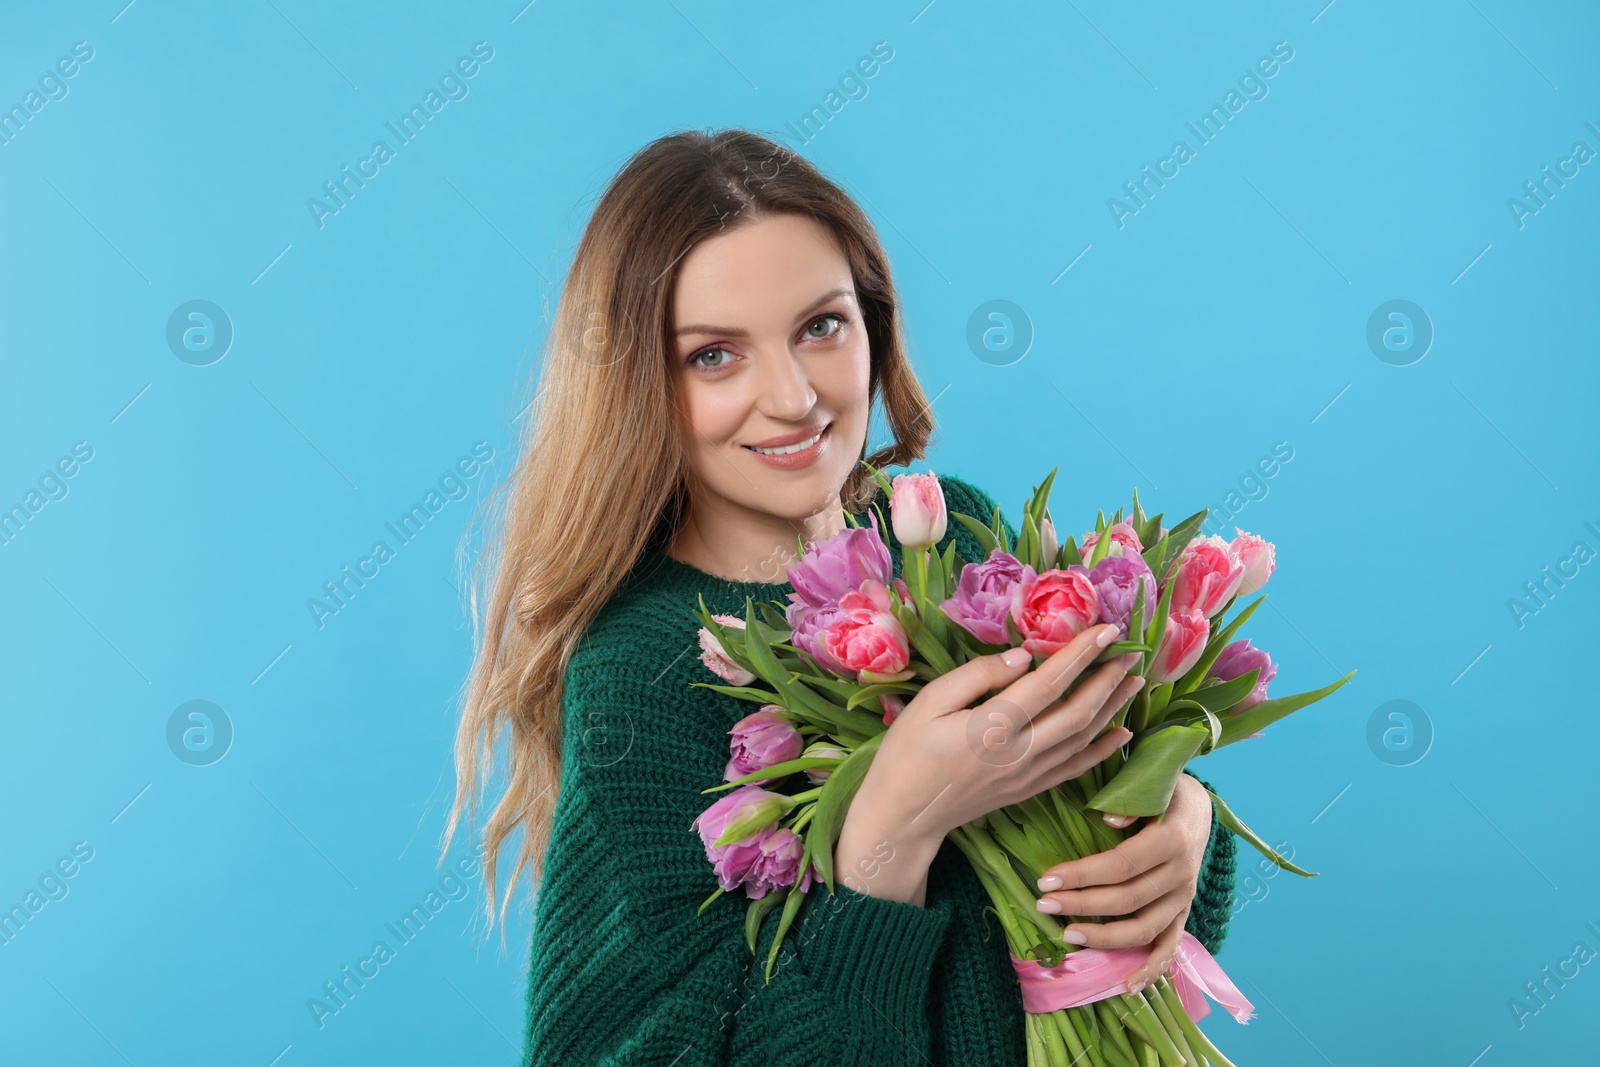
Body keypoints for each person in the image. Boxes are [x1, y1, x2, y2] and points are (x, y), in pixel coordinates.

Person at [445, 127, 1238, 1066]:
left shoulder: (955, 535)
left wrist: (1182, 821)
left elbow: (1088, 897)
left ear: (874, 324)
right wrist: (888, 837)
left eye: (821, 326)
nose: (791, 396)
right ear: (637, 381)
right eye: (713, 355)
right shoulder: (641, 672)